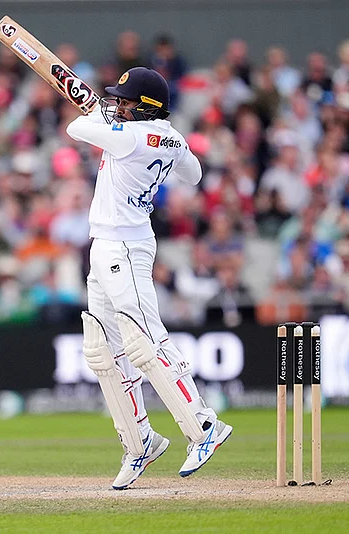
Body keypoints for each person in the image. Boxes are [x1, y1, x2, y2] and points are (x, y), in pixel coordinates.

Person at [65, 67, 232, 490]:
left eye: (123, 100)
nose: (116, 105)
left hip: (124, 247)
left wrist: (103, 117)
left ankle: (203, 425)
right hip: (107, 244)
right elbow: (193, 175)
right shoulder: (170, 138)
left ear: (144, 106)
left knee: (144, 338)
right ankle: (140, 442)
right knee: (102, 348)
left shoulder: (129, 136)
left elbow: (74, 127)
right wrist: (154, 137)